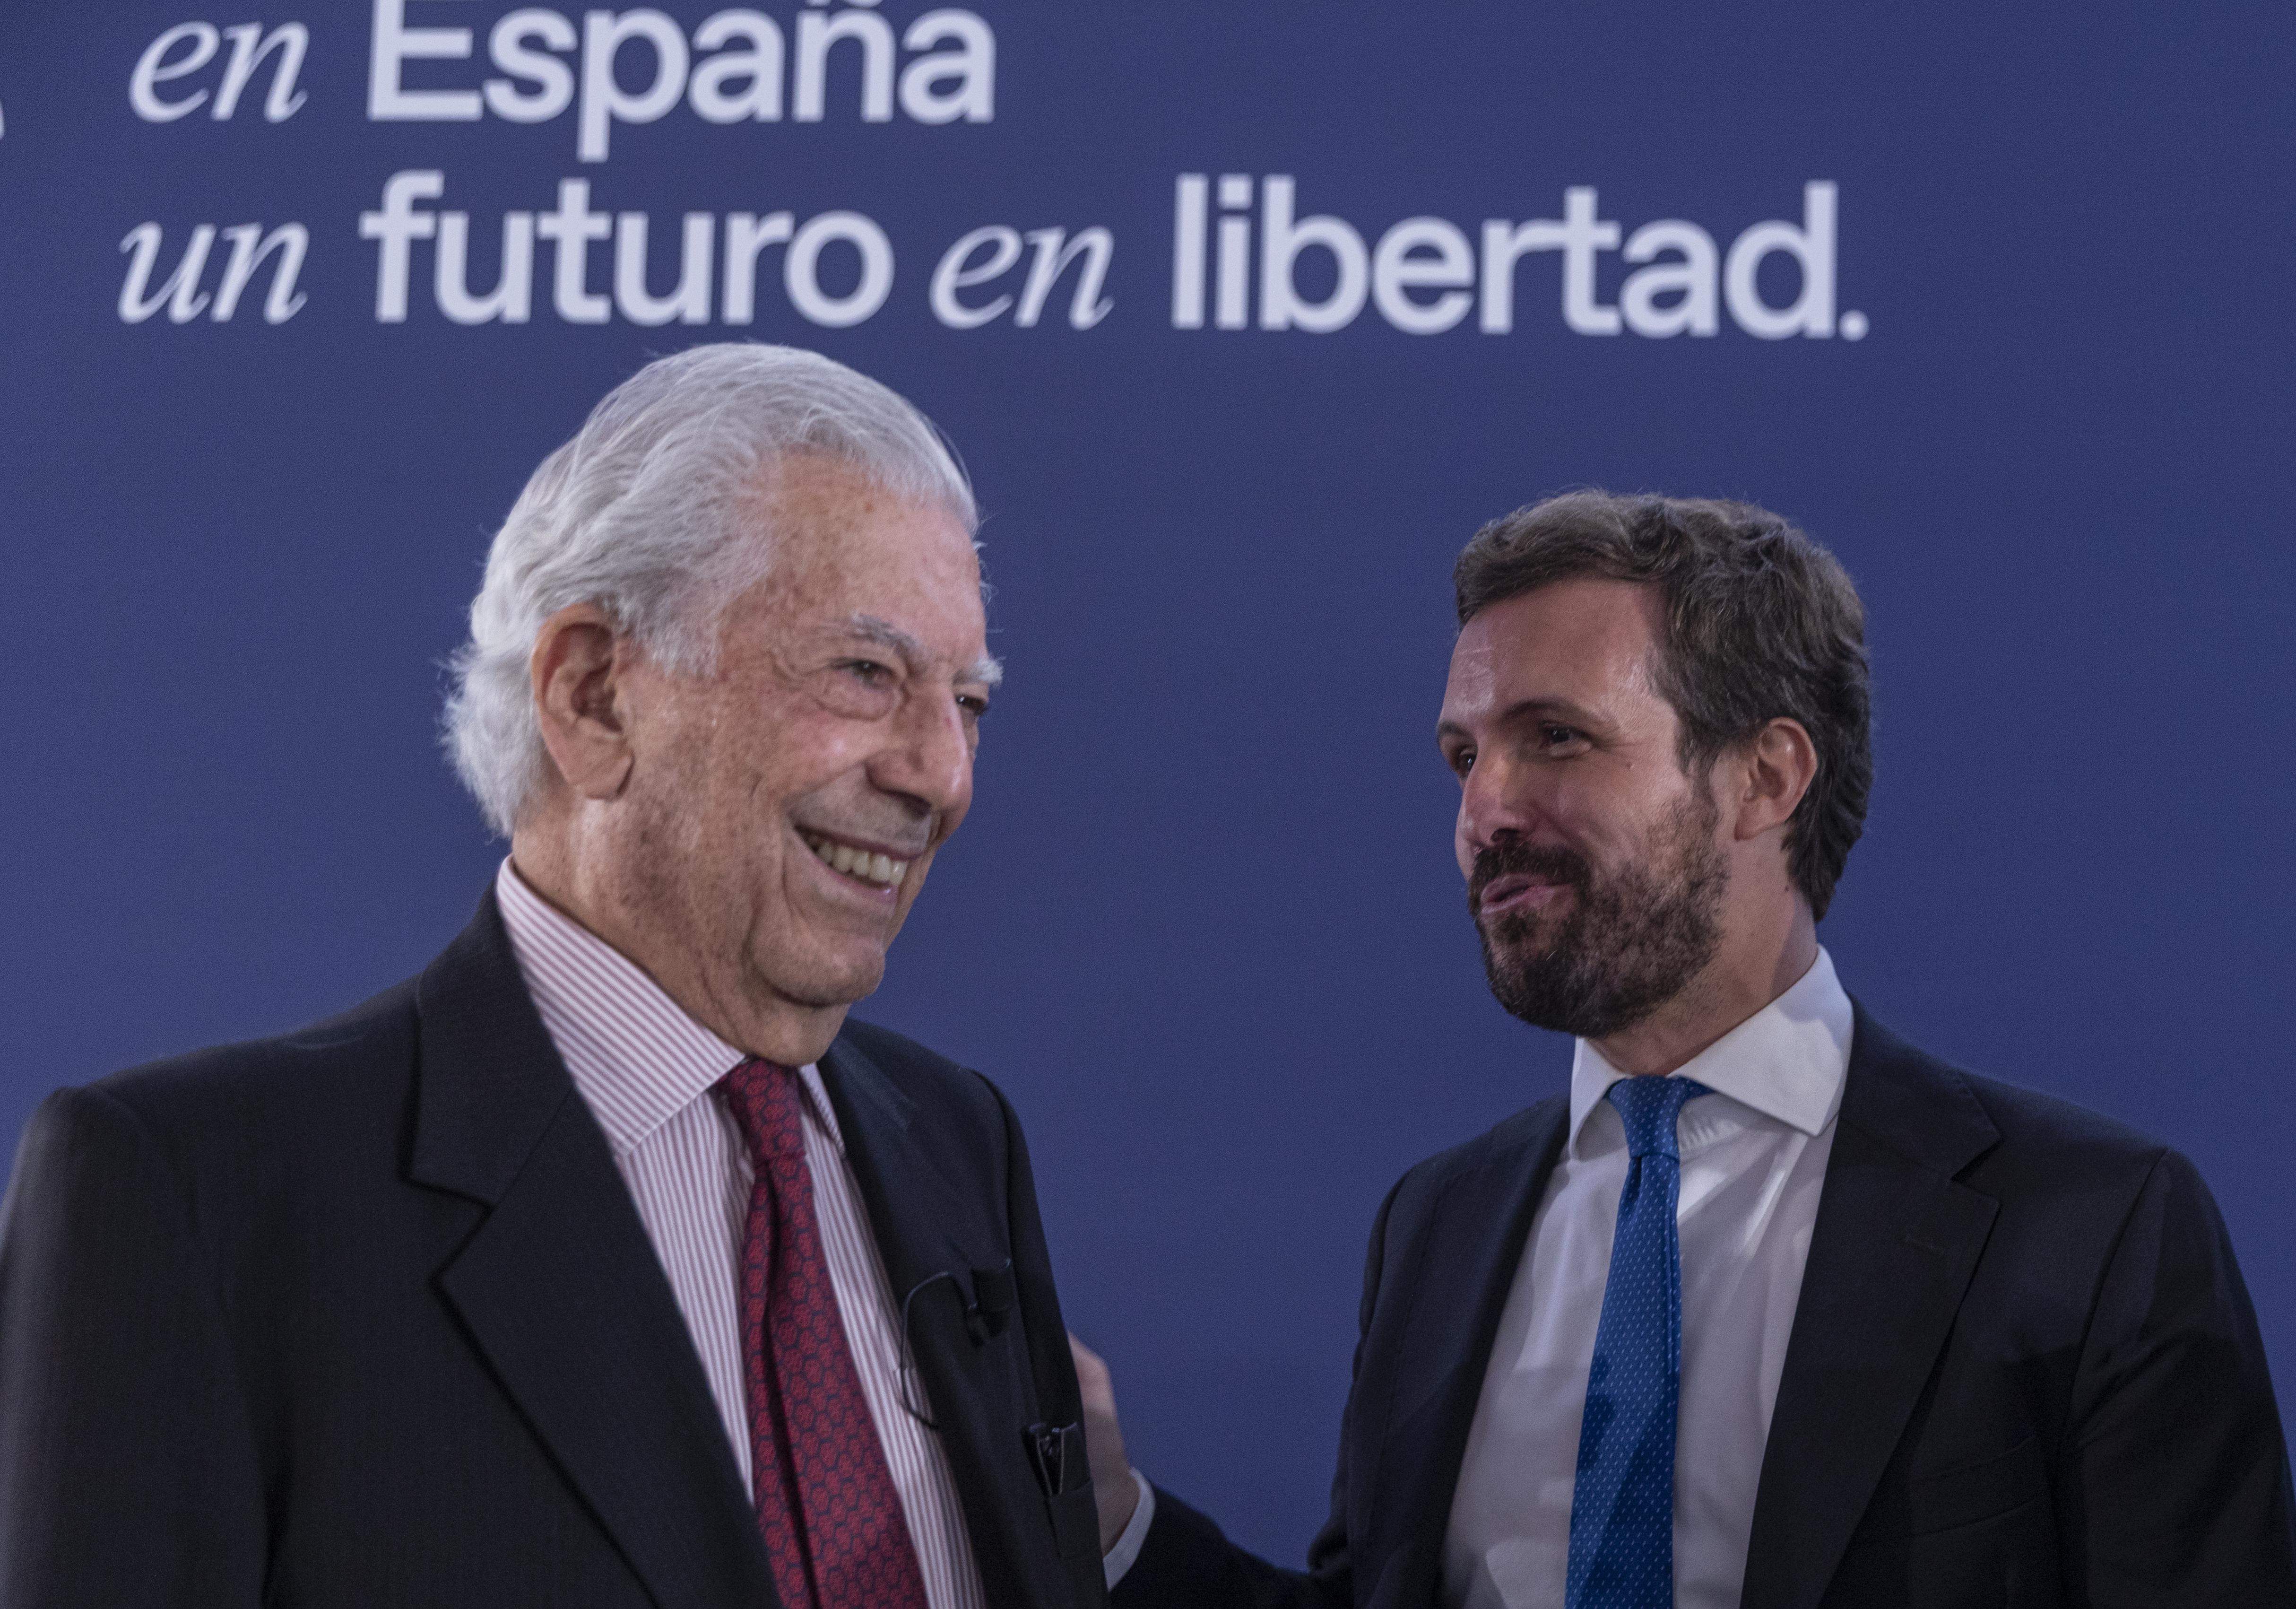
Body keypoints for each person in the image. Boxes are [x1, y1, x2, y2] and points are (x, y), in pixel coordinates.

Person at [0, 344, 1108, 1609]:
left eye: (967, 701)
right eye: (866, 673)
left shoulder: (960, 1145)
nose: (941, 776)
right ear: (592, 696)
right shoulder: (201, 1196)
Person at [1076, 492, 2296, 1607]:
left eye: (1554, 737)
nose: (1482, 811)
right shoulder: (1435, 1226)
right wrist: (1117, 1517)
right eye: (1463, 755)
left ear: (1763, 778)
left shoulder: (2090, 1230)